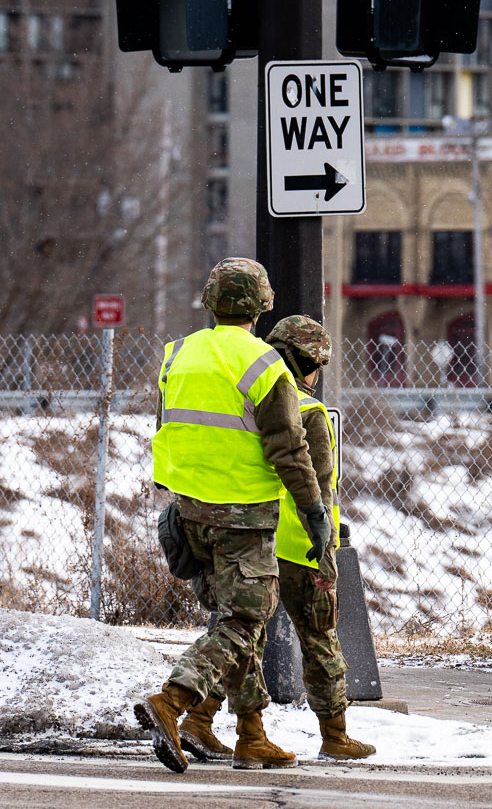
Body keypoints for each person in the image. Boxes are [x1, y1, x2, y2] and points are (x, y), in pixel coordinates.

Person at [134, 258, 332, 774]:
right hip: (241, 515)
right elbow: (289, 449)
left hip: (188, 506)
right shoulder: (264, 363)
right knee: (245, 620)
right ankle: (173, 702)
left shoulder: (178, 353)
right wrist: (314, 513)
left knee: (237, 620)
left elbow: (168, 425)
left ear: (211, 301)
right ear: (262, 307)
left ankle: (252, 735)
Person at [177, 315, 375, 762]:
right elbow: (318, 490)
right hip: (301, 547)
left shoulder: (250, 399)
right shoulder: (309, 413)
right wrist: (325, 550)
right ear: (308, 364)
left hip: (252, 540)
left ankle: (204, 720)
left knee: (244, 638)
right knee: (320, 640)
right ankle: (335, 736)